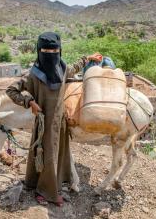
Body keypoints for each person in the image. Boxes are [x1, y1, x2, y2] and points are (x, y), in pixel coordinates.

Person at [6, 32, 94, 207]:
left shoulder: (62, 69)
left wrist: (88, 59)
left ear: (59, 51)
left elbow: (75, 67)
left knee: (57, 156)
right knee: (48, 157)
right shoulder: (33, 74)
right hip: (44, 124)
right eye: (45, 50)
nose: (50, 54)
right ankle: (46, 192)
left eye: (53, 50)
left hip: (60, 123)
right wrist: (29, 101)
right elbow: (11, 90)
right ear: (39, 51)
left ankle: (45, 183)